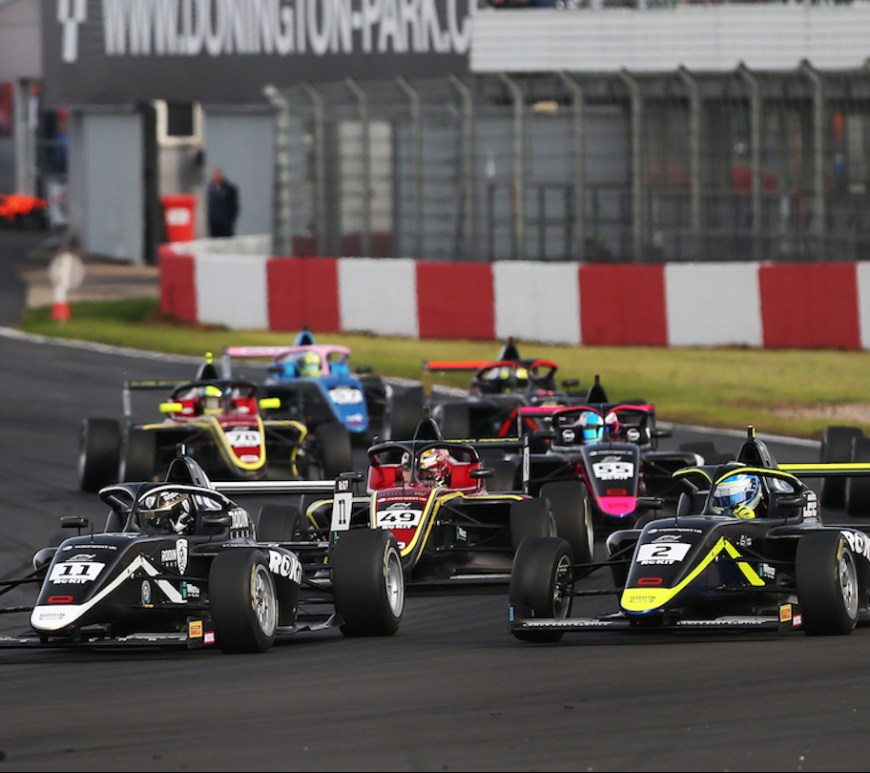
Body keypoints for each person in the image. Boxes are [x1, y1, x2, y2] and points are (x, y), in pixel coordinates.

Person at [207, 167, 239, 238]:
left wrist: (230, 219)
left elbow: (234, 206)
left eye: (218, 174)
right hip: (214, 222)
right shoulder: (210, 189)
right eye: (215, 174)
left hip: (225, 222)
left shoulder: (230, 189)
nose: (216, 176)